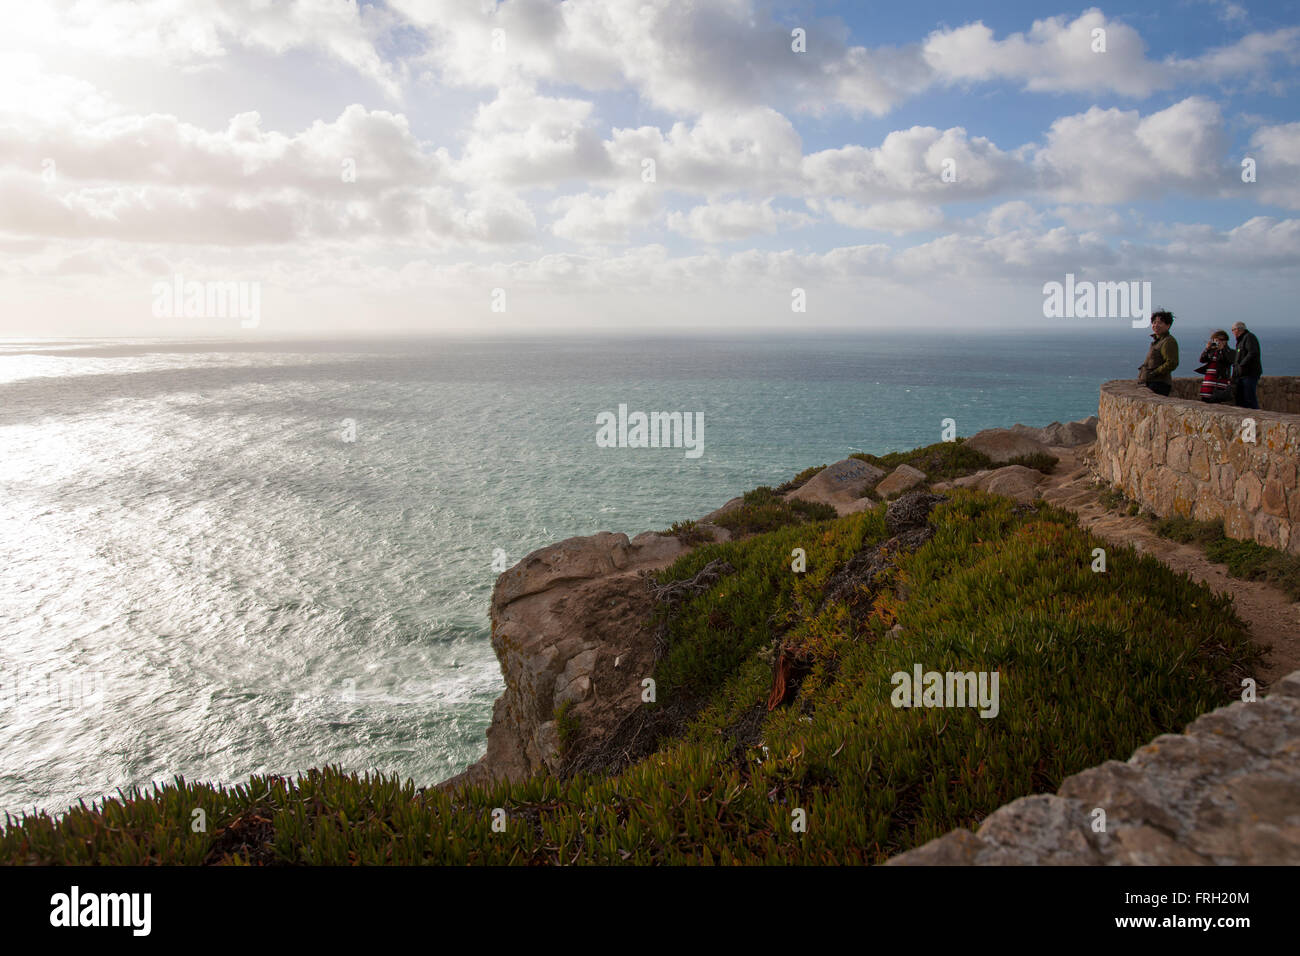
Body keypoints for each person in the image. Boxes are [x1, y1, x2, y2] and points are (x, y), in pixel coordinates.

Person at [1138, 310, 1178, 396]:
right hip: (1152, 382)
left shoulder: (1168, 341)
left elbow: (1172, 363)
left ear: (1168, 325)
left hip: (1160, 384)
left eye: (1160, 323)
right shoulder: (1158, 341)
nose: (1156, 325)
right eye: (1154, 322)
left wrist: (1155, 373)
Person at [1195, 330, 1235, 402]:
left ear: (1226, 341)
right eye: (1216, 340)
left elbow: (1228, 360)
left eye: (1221, 340)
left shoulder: (1230, 352)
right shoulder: (1212, 351)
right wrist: (1207, 349)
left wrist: (1222, 349)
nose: (1219, 342)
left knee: (1218, 403)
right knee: (1205, 403)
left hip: (1220, 383)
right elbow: (1202, 360)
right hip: (1208, 383)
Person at [1231, 322, 1262, 409]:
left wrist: (1241, 365)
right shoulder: (1241, 340)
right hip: (1242, 375)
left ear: (1238, 330)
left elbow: (1252, 353)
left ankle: (1255, 418)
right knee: (1241, 399)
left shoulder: (1249, 337)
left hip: (1249, 374)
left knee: (1249, 399)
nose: (1233, 332)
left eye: (1233, 330)